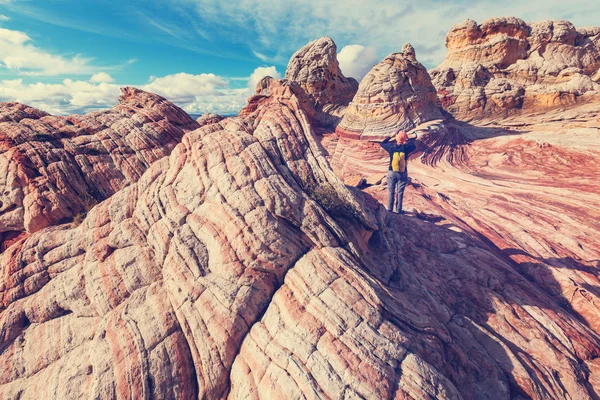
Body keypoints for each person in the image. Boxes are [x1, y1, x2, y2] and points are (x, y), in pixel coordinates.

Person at [379, 130, 417, 214]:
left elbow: (382, 143)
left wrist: (390, 136)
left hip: (391, 171)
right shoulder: (406, 148)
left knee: (391, 191)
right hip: (402, 172)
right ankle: (399, 210)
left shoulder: (391, 147)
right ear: (404, 139)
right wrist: (407, 139)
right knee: (400, 192)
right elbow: (413, 146)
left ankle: (389, 210)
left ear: (396, 138)